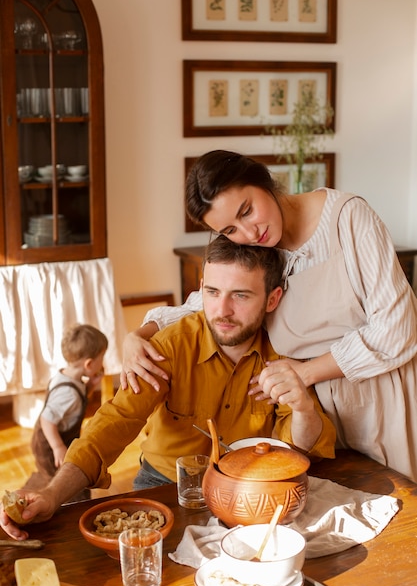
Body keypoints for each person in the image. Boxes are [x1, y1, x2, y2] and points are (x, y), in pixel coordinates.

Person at [1, 236, 335, 539]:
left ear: (272, 298)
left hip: (249, 491)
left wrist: (304, 406)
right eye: (213, 292)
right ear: (201, 287)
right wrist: (52, 493)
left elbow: (297, 450)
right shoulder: (171, 344)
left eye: (241, 295)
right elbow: (112, 425)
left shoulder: (287, 350)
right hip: (163, 483)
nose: (222, 311)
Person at [121, 150, 417, 483]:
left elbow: (399, 327)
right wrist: (138, 336)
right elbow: (207, 303)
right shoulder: (259, 249)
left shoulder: (347, 218)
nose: (249, 233)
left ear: (263, 179)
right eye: (230, 229)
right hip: (309, 417)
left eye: (247, 211)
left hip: (378, 402)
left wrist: (306, 372)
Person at [23, 324, 108, 501]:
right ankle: (63, 506)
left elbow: (73, 404)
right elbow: (47, 420)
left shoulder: (66, 376)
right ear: (89, 364)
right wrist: (58, 447)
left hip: (56, 439)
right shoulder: (67, 393)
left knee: (52, 475)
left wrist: (91, 385)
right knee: (67, 483)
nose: (103, 362)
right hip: (51, 445)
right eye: (102, 357)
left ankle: (42, 488)